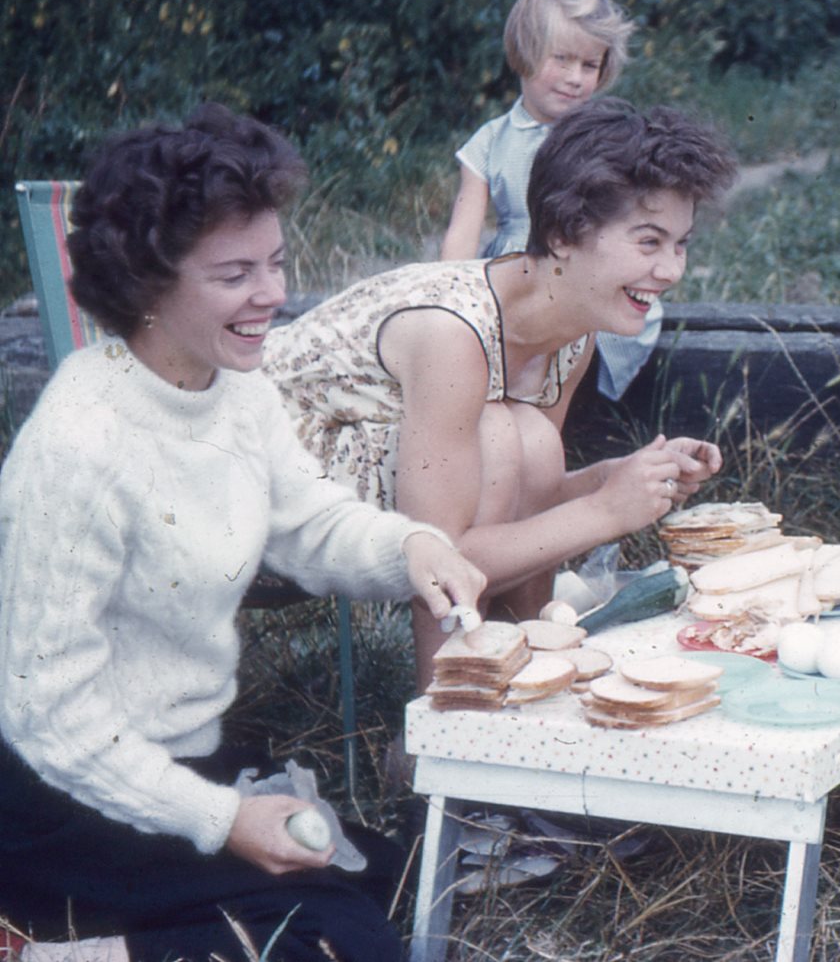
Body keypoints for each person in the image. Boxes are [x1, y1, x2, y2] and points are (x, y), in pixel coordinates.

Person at [0, 105, 487, 961]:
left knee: (406, 880)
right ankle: (55, 948)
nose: (272, 293)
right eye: (235, 274)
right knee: (342, 944)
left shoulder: (235, 391)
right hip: (62, 795)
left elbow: (305, 521)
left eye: (276, 262)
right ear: (148, 285)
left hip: (184, 758)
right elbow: (45, 714)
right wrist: (222, 819)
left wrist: (411, 546)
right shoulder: (79, 444)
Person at [265, 96, 736, 687]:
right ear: (563, 234)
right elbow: (443, 555)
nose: (671, 270)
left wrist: (618, 478)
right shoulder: (453, 332)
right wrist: (606, 511)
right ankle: (445, 703)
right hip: (259, 482)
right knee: (499, 434)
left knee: (531, 440)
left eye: (681, 244)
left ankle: (523, 681)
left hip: (374, 490)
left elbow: (531, 496)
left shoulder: (573, 329)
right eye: (649, 242)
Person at [439, 0, 657, 402]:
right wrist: (448, 296)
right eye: (561, 59)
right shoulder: (490, 142)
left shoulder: (604, 138)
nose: (575, 79)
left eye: (590, 65)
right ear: (526, 52)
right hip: (516, 275)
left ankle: (560, 413)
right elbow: (463, 231)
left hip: (585, 270)